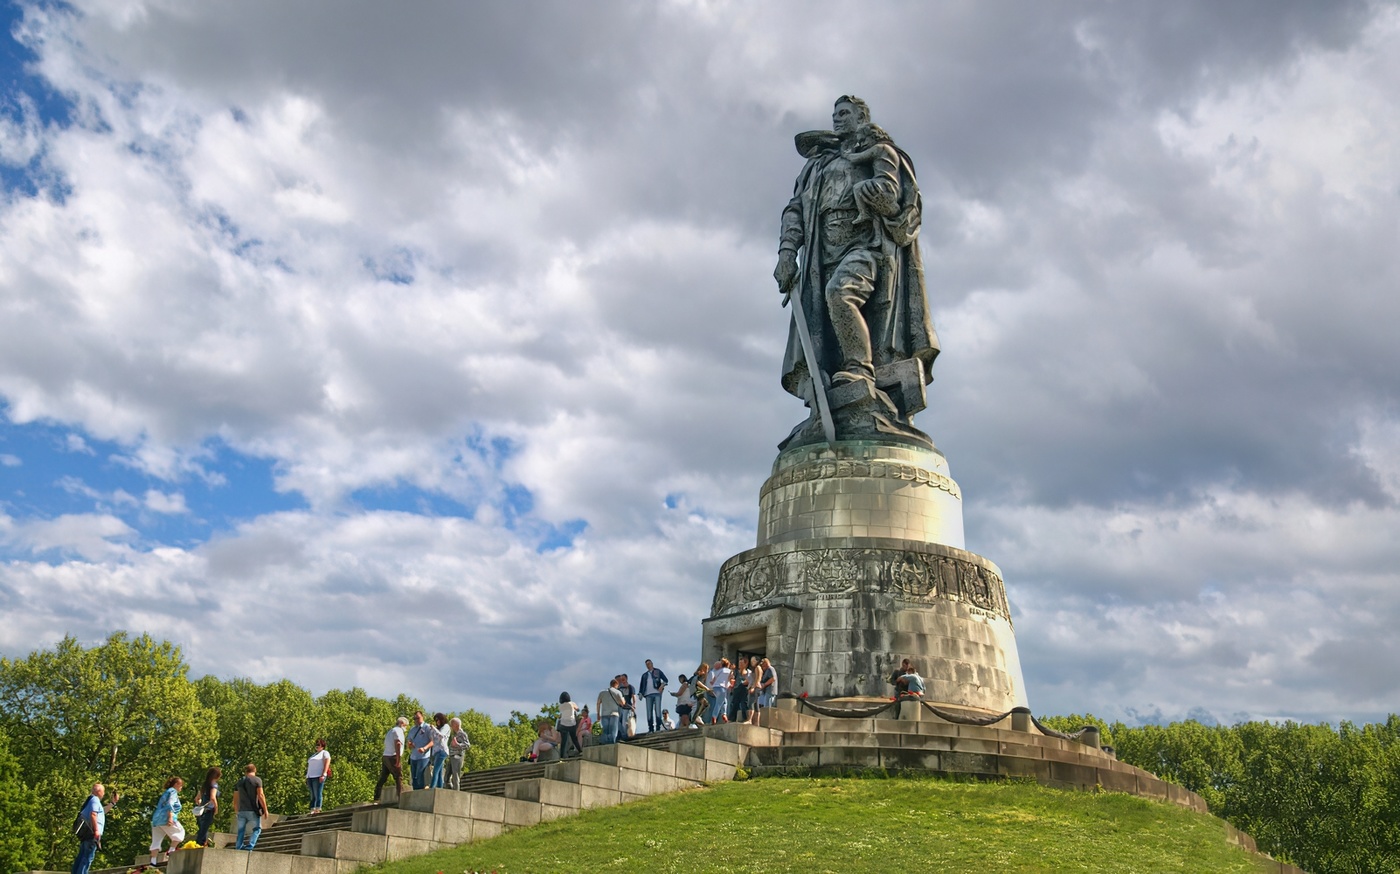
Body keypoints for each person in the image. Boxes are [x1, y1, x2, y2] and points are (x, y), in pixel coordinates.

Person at [773, 96, 938, 449]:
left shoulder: (880, 152)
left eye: (845, 114)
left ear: (862, 117)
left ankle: (860, 371)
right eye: (834, 115)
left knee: (841, 293)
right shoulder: (818, 165)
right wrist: (788, 251)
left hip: (866, 246)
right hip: (822, 251)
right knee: (824, 320)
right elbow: (795, 210)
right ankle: (835, 395)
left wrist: (869, 181)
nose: (837, 120)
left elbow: (894, 200)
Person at [71, 782, 115, 874]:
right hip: (91, 834)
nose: (103, 794)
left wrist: (112, 803)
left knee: (81, 856)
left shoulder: (91, 801)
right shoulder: (95, 799)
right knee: (87, 859)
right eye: (103, 791)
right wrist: (96, 831)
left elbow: (101, 812)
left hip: (86, 835)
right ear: (98, 791)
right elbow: (94, 814)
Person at [149, 776, 185, 865]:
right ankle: (171, 850)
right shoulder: (173, 791)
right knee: (180, 833)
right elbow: (170, 804)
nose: (181, 788)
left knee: (156, 840)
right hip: (166, 817)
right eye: (181, 786)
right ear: (176, 784)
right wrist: (170, 817)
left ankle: (153, 862)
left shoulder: (166, 792)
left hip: (156, 820)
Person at [232, 763, 267, 850]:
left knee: (241, 831)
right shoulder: (257, 780)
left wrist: (236, 809)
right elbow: (261, 795)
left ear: (245, 772)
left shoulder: (239, 782)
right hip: (253, 809)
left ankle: (238, 847)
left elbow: (235, 798)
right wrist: (265, 810)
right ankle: (250, 846)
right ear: (255, 770)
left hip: (242, 810)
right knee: (257, 829)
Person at [374, 716, 408, 801]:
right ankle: (401, 797)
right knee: (398, 776)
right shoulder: (398, 731)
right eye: (406, 725)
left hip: (386, 756)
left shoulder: (390, 731)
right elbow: (398, 743)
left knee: (383, 777)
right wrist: (398, 759)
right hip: (392, 756)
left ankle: (377, 796)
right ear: (402, 724)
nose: (406, 728)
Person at [407, 710, 435, 790]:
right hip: (413, 756)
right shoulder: (412, 730)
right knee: (414, 777)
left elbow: (433, 741)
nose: (416, 720)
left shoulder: (427, 727)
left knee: (420, 775)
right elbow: (408, 741)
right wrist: (410, 744)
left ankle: (421, 791)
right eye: (415, 718)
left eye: (418, 718)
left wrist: (425, 748)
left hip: (424, 756)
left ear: (422, 717)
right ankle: (416, 791)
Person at [639, 659, 669, 733]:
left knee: (657, 710)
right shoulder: (644, 675)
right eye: (646, 664)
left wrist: (661, 686)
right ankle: (650, 728)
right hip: (648, 694)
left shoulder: (657, 671)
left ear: (652, 664)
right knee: (649, 712)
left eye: (649, 663)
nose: (648, 665)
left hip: (656, 693)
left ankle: (658, 727)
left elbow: (666, 680)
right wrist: (640, 693)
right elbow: (641, 685)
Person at [193, 766, 221, 846]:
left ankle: (203, 843)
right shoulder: (214, 785)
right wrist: (216, 807)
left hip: (201, 810)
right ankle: (199, 844)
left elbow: (197, 798)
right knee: (204, 829)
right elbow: (213, 797)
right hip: (209, 809)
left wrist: (200, 803)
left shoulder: (204, 785)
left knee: (202, 828)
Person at [445, 717, 472, 791]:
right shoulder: (456, 734)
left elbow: (467, 745)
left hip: (457, 756)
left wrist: (457, 744)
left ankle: (455, 792)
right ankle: (450, 790)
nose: (451, 727)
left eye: (452, 725)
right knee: (446, 777)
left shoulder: (462, 734)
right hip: (452, 756)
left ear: (456, 725)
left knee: (455, 775)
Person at [306, 739, 331, 814]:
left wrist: (323, 774)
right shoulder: (314, 755)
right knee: (312, 794)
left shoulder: (325, 753)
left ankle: (318, 808)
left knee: (318, 792)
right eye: (316, 745)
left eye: (318, 745)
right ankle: (312, 809)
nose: (317, 746)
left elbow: (327, 762)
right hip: (310, 776)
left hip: (318, 775)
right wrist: (307, 776)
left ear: (322, 746)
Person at [597, 678, 623, 745]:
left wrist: (598, 713)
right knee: (613, 731)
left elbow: (598, 703)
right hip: (614, 714)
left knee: (605, 731)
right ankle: (611, 744)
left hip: (604, 714)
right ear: (616, 685)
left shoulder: (602, 692)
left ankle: (605, 745)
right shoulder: (618, 692)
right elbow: (622, 703)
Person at [557, 692, 582, 758]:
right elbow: (578, 709)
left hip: (563, 724)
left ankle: (561, 756)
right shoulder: (572, 703)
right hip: (571, 723)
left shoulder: (560, 706)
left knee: (563, 741)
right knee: (574, 739)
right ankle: (580, 751)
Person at [429, 713, 450, 789]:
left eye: (437, 720)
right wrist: (431, 730)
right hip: (436, 751)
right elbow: (432, 739)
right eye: (435, 720)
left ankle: (432, 787)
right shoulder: (438, 729)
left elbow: (441, 735)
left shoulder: (446, 726)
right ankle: (440, 787)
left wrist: (434, 728)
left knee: (435, 771)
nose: (437, 722)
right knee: (440, 771)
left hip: (442, 751)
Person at [730, 657, 753, 724]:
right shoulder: (736, 672)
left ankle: (745, 718)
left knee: (744, 704)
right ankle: (732, 718)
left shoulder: (749, 672)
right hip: (737, 688)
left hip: (744, 689)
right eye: (739, 663)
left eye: (741, 663)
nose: (740, 665)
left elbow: (750, 680)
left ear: (746, 664)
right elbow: (731, 679)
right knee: (734, 703)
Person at [709, 659, 732, 723]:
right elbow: (730, 679)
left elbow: (713, 680)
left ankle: (724, 714)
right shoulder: (729, 671)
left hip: (716, 687)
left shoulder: (718, 671)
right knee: (719, 702)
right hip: (722, 687)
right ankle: (714, 716)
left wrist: (712, 682)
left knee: (724, 701)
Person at [755, 657, 778, 723]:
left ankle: (768, 721)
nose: (762, 667)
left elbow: (773, 678)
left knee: (768, 707)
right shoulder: (766, 671)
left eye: (763, 665)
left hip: (770, 691)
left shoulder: (771, 669)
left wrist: (764, 684)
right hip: (766, 691)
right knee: (763, 706)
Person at [616, 674, 637, 739]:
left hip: (627, 707)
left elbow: (634, 696)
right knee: (618, 722)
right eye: (621, 679)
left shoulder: (630, 687)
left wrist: (633, 704)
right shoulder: (620, 688)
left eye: (623, 679)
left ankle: (625, 736)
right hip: (620, 707)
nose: (622, 680)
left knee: (624, 723)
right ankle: (622, 735)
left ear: (626, 679)